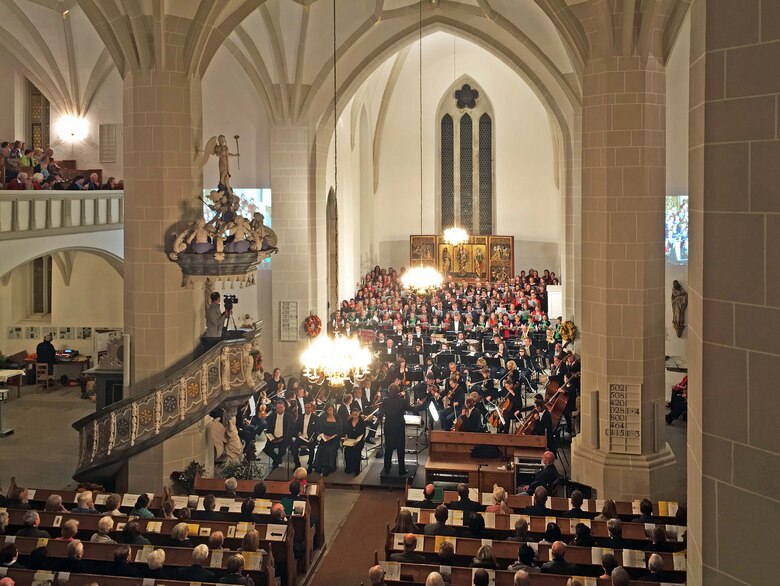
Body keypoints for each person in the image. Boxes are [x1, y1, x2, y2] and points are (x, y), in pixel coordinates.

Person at [379, 383, 425, 476]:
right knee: (400, 449)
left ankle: (387, 468)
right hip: (399, 427)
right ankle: (401, 470)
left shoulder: (385, 401)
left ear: (389, 391)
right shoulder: (402, 401)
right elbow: (411, 409)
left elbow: (381, 414)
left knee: (388, 448)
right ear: (398, 391)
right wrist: (420, 405)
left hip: (388, 427)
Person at [263, 400, 295, 470]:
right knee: (266, 449)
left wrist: (284, 438)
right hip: (274, 438)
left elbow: (292, 430)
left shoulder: (289, 416)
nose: (280, 409)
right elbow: (269, 428)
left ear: (284, 408)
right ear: (276, 408)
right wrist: (270, 437)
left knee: (282, 451)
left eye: (281, 407)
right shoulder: (272, 416)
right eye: (278, 408)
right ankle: (277, 459)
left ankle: (276, 462)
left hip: (284, 438)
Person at [313, 403, 342, 475]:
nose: (330, 411)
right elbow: (319, 428)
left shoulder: (337, 417)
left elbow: (340, 429)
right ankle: (320, 466)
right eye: (328, 410)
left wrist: (333, 436)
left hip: (334, 438)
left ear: (333, 410)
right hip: (325, 437)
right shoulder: (323, 417)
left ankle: (328, 466)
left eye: (331, 409)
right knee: (321, 448)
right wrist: (324, 436)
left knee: (331, 449)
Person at [292, 400, 318, 470]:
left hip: (310, 438)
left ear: (311, 408)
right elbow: (296, 428)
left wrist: (313, 437)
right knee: (293, 447)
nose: (307, 409)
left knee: (312, 448)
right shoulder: (300, 417)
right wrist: (298, 433)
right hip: (301, 438)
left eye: (308, 407)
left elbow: (317, 430)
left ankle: (310, 464)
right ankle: (297, 464)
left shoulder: (315, 418)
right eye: (306, 407)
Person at [343, 405, 367, 475]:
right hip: (350, 440)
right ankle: (349, 468)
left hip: (359, 441)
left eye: (356, 414)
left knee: (356, 451)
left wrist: (357, 440)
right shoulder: (349, 421)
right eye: (353, 415)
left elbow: (363, 433)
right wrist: (346, 436)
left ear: (358, 414)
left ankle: (356, 469)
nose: (355, 416)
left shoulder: (362, 422)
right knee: (347, 452)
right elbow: (346, 431)